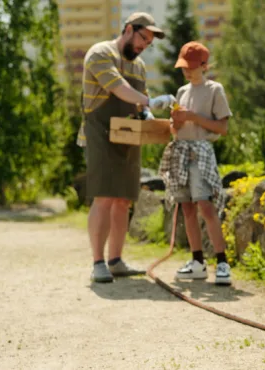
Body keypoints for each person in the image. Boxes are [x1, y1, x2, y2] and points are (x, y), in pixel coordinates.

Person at [78, 12, 177, 283]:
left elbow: (137, 105)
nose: (145, 45)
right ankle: (98, 262)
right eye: (143, 38)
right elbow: (119, 88)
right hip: (99, 134)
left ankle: (116, 261)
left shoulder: (140, 67)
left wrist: (150, 118)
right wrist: (150, 100)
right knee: (104, 196)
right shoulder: (100, 53)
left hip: (130, 135)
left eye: (149, 43)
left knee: (122, 199)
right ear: (129, 29)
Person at [158, 41, 233, 285]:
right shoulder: (181, 92)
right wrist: (177, 122)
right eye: (184, 67)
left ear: (204, 65)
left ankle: (222, 262)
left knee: (205, 205)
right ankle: (198, 262)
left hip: (201, 152)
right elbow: (174, 129)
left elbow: (222, 128)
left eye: (191, 67)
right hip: (181, 152)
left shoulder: (214, 90)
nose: (186, 71)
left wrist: (192, 117)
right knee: (187, 209)